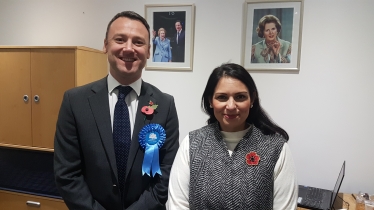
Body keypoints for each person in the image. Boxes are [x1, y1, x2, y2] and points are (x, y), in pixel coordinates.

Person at [54, 11, 179, 210]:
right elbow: (67, 174)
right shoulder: (75, 101)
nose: (128, 48)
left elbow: (167, 172)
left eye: (138, 42)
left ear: (148, 51)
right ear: (105, 45)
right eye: (120, 39)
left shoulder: (165, 105)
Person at [167, 63, 297, 209]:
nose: (230, 106)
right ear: (210, 101)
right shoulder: (192, 144)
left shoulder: (276, 149)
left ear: (252, 99)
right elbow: (177, 205)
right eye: (222, 97)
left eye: (240, 97)